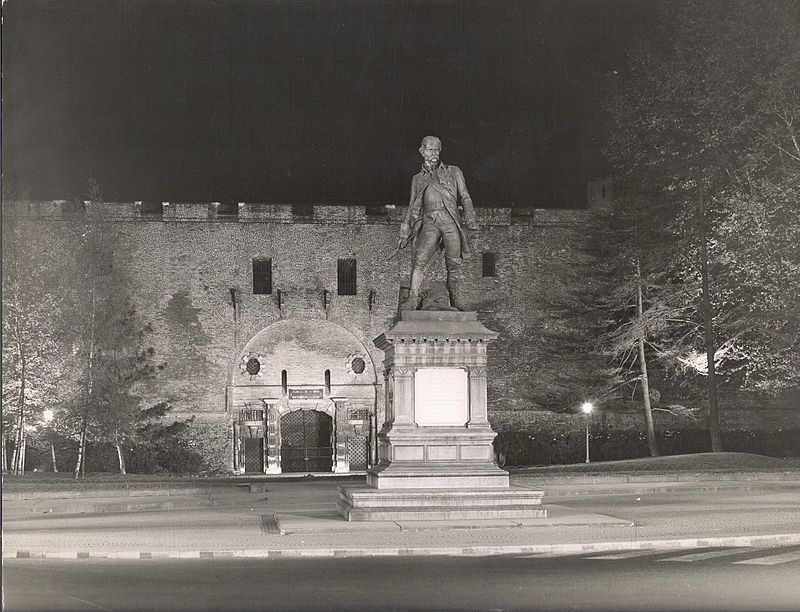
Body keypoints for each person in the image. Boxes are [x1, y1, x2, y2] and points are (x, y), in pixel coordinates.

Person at [398, 136, 479, 310]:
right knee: (419, 259)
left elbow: (465, 197)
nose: (433, 153)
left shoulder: (454, 171)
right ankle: (413, 298)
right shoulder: (417, 179)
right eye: (430, 149)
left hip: (450, 221)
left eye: (436, 150)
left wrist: (470, 218)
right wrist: (404, 232)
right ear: (422, 152)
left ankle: (455, 300)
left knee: (453, 264)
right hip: (430, 222)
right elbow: (412, 207)